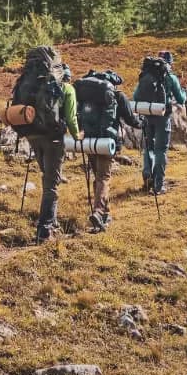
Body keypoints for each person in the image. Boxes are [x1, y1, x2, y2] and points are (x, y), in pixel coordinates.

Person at [77, 70, 139, 232]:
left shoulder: (86, 95)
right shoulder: (117, 95)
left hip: (89, 141)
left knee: (98, 176)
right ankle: (98, 211)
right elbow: (130, 118)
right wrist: (141, 124)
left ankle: (105, 213)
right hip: (107, 141)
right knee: (103, 177)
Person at [33, 63, 80, 243]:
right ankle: (45, 230)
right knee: (52, 184)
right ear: (68, 77)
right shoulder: (68, 89)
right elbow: (71, 117)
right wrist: (77, 136)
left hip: (35, 137)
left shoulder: (39, 86)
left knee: (47, 177)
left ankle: (52, 221)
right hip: (53, 139)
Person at [134, 50, 187, 195]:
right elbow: (181, 99)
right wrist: (185, 94)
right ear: (170, 63)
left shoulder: (146, 74)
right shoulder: (170, 77)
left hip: (147, 115)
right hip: (163, 117)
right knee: (160, 150)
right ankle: (158, 185)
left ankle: (147, 177)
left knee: (148, 147)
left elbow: (135, 95)